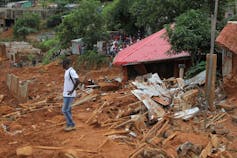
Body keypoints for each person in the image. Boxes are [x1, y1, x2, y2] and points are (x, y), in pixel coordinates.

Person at [62, 58, 79, 131]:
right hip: (66, 94)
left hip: (69, 94)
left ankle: (72, 124)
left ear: (67, 64)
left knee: (65, 110)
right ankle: (69, 124)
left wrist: (72, 91)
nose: (62, 66)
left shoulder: (71, 71)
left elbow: (78, 81)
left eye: (63, 64)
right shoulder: (66, 71)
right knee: (68, 110)